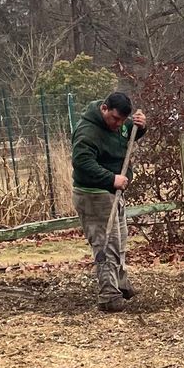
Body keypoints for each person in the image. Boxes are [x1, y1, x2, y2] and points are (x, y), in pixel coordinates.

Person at [71, 91, 149, 311]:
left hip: (112, 193)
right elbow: (82, 162)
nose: (119, 124)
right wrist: (111, 178)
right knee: (106, 244)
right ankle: (108, 295)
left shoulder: (119, 124)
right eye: (115, 119)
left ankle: (120, 284)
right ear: (104, 108)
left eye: (123, 120)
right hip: (93, 195)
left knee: (120, 240)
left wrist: (140, 127)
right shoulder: (87, 132)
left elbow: (125, 136)